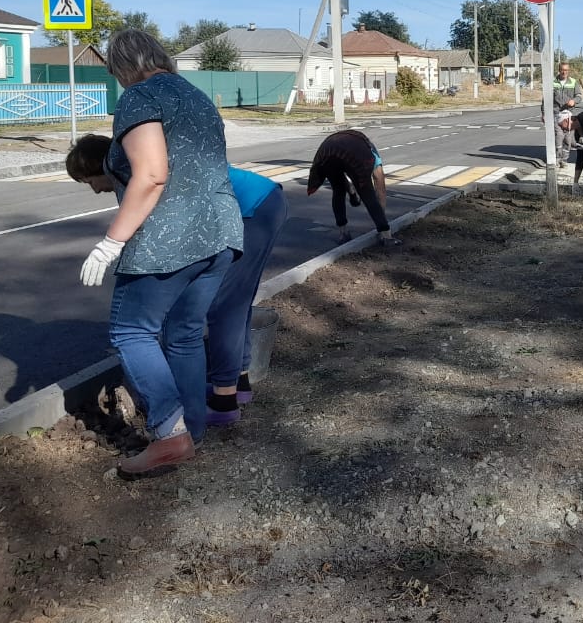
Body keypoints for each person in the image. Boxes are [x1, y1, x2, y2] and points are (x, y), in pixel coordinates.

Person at [78, 30, 243, 479]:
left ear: (122, 66)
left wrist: (111, 242)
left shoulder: (140, 97)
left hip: (170, 238)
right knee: (185, 334)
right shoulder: (195, 95)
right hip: (221, 232)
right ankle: (194, 430)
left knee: (131, 331)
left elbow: (151, 175)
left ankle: (170, 435)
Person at [67, 135, 288, 426]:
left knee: (225, 307)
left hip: (252, 209)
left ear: (100, 167)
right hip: (263, 201)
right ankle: (238, 383)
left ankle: (225, 402)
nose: (95, 190)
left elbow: (152, 227)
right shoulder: (137, 163)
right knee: (236, 302)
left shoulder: (137, 173)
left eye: (89, 181)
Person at [307, 128, 401, 247]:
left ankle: (343, 233)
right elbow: (380, 185)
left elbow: (340, 169)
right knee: (367, 194)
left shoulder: (359, 143)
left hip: (327, 151)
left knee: (338, 190)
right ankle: (386, 236)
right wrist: (381, 217)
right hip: (350, 155)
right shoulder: (371, 153)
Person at [551, 61, 582, 160]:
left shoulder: (573, 82)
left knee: (568, 139)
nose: (564, 72)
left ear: (568, 71)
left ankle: (564, 159)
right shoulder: (553, 82)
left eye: (566, 70)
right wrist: (543, 112)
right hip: (556, 114)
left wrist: (574, 101)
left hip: (569, 115)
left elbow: (579, 96)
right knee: (559, 136)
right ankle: (557, 158)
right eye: (562, 70)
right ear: (559, 70)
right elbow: (546, 99)